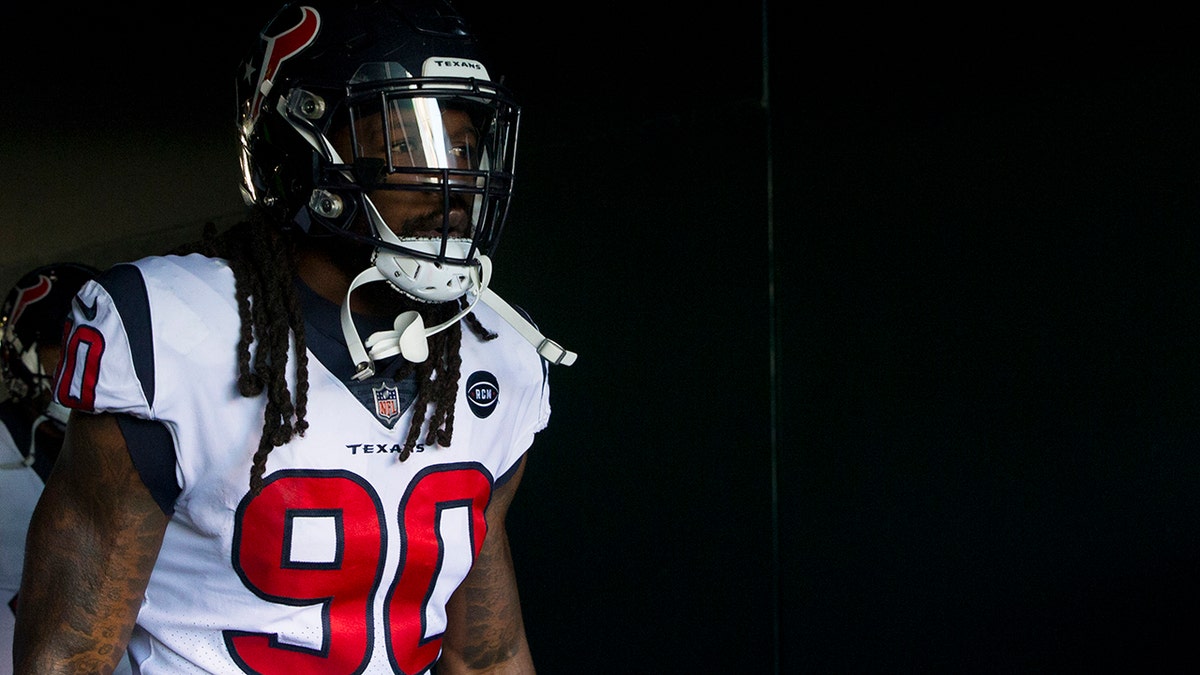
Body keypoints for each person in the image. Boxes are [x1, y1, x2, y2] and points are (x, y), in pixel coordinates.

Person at [13, 1, 574, 672]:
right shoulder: (172, 329)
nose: (451, 178)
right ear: (299, 149)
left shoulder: (498, 351)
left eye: (461, 145)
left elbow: (487, 651)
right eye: (408, 142)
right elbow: (72, 651)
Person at [0, 263, 134, 675]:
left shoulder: (146, 443)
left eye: (96, 349)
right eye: (67, 348)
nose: (83, 365)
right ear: (23, 352)